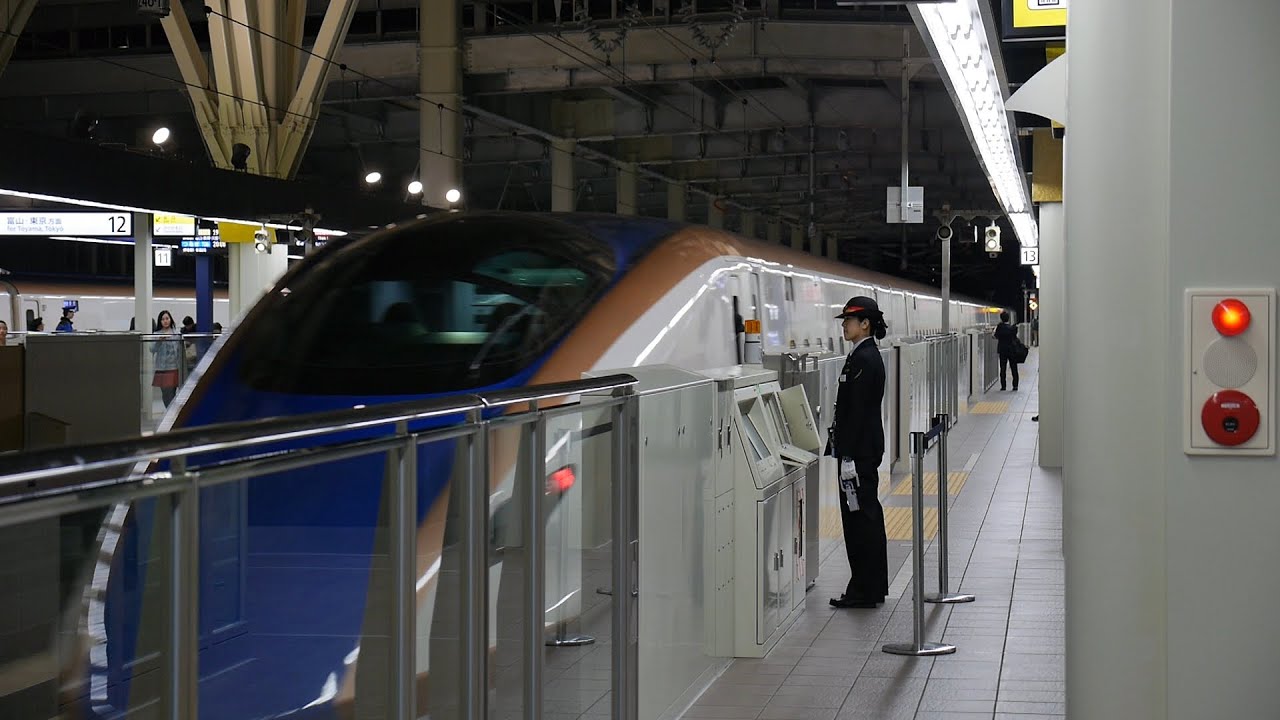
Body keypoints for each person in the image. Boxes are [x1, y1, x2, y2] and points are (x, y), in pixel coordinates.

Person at [827, 296, 889, 609]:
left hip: (859, 453)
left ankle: (864, 589)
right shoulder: (863, 356)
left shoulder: (864, 359)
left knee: (860, 519)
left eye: (849, 320)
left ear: (865, 323)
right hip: (861, 450)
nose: (844, 325)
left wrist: (847, 456)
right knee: (864, 516)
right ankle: (869, 586)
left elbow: (859, 413)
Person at [150, 310, 182, 407]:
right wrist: (159, 340)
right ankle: (169, 411)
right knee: (165, 394)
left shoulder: (176, 334)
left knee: (172, 393)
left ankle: (172, 413)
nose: (165, 321)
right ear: (160, 321)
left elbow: (180, 350)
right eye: (163, 319)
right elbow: (152, 349)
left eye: (167, 318)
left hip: (174, 368)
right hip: (162, 369)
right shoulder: (156, 334)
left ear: (170, 320)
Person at [994, 311, 1019, 391]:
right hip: (1012, 350)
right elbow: (1014, 337)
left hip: (1002, 350)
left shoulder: (1000, 327)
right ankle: (1015, 386)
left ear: (1001, 318)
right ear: (1008, 318)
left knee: (1003, 368)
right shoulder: (1012, 328)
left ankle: (1003, 386)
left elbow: (996, 336)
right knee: (1014, 368)